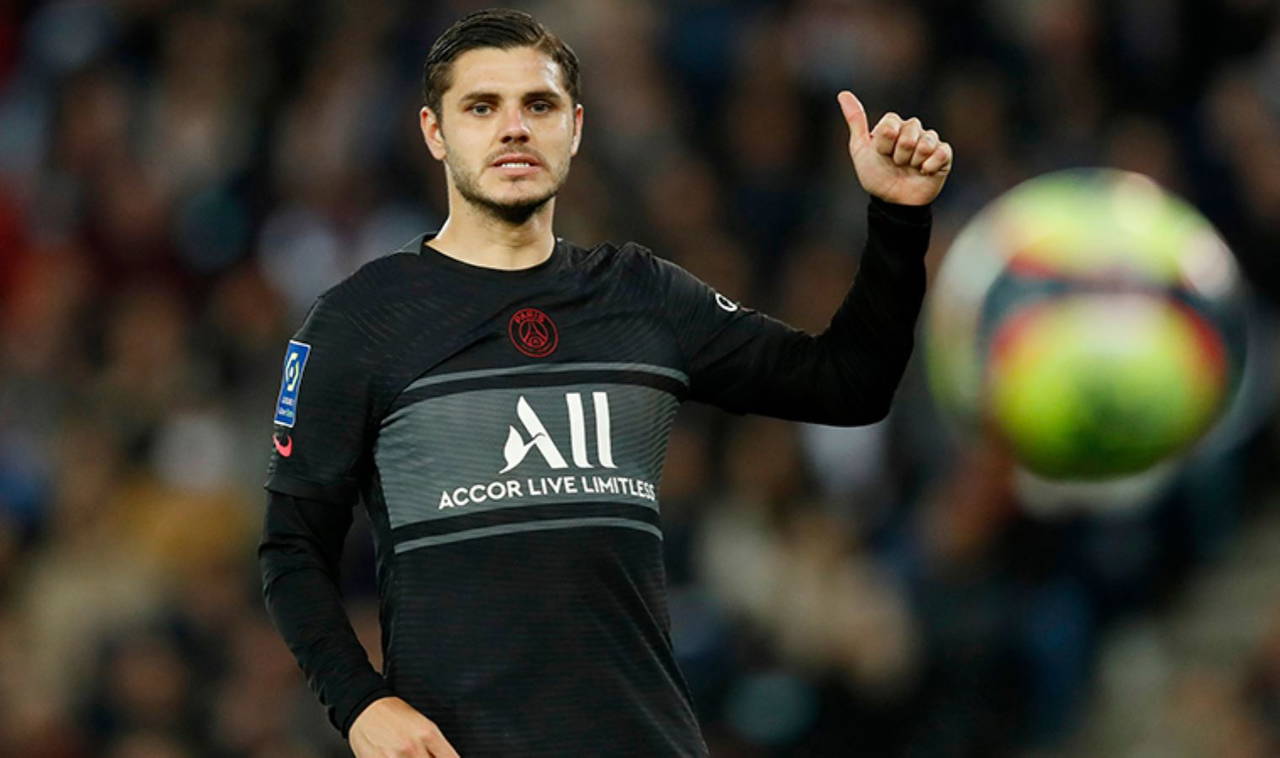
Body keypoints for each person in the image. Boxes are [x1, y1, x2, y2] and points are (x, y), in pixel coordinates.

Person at [257, 8, 951, 757]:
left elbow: (848, 385)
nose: (514, 128)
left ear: (576, 127)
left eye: (540, 105)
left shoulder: (641, 296)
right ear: (435, 132)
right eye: (482, 107)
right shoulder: (360, 321)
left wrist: (897, 219)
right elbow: (292, 549)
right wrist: (361, 704)